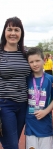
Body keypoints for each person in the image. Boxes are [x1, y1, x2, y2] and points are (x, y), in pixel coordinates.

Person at [0, 17, 31, 149]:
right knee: (12, 145)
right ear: (4, 32)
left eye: (16, 30)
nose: (13, 33)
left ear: (21, 33)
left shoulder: (26, 54)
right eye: (10, 29)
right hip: (4, 105)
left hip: (23, 105)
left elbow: (36, 73)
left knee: (13, 143)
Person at [25, 47, 53, 149]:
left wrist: (46, 111)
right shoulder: (26, 79)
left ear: (44, 60)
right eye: (31, 62)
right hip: (30, 126)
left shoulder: (50, 79)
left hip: (45, 126)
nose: (35, 64)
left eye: (37, 60)